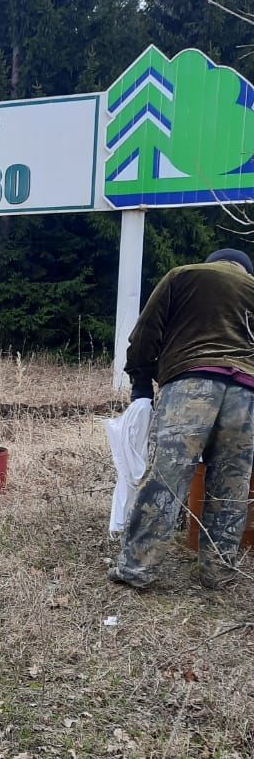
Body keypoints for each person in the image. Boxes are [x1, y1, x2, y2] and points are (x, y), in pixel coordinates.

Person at [110, 247, 254, 589]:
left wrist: (141, 384)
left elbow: (145, 334)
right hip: (247, 395)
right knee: (231, 487)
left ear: (212, 264)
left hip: (192, 384)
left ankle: (137, 570)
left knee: (167, 479)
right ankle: (218, 574)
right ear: (243, 269)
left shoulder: (184, 276)